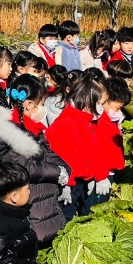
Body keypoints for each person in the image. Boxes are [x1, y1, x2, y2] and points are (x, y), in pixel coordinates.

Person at [0, 75, 70, 245]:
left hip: (45, 201)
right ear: (29, 104)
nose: (43, 109)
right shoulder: (6, 133)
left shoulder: (33, 128)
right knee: (31, 247)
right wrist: (57, 171)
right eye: (42, 104)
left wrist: (65, 170)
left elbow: (49, 153)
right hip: (28, 205)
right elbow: (23, 166)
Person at [45, 76, 108, 219]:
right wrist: (67, 184)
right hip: (69, 183)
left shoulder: (86, 120)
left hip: (82, 180)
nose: (102, 107)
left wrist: (97, 176)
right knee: (65, 217)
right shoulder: (68, 122)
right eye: (100, 103)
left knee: (82, 215)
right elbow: (63, 156)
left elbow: (94, 152)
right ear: (87, 102)